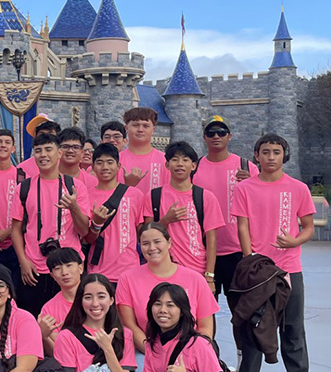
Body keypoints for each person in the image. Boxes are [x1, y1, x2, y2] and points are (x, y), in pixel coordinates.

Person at [232, 133, 316, 372]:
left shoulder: (298, 188)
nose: (270, 157)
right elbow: (242, 226)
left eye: (276, 152)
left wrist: (295, 241)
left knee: (292, 329)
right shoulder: (245, 188)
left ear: (284, 155)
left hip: (289, 268)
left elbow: (307, 226)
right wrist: (249, 258)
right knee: (255, 328)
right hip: (259, 270)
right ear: (256, 156)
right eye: (265, 151)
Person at [116, 223, 219, 372]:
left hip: (189, 351)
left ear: (169, 243)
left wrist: (184, 355)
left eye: (157, 241)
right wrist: (156, 354)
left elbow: (205, 328)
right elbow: (129, 324)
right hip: (147, 350)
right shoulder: (127, 278)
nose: (152, 248)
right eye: (145, 243)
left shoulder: (195, 279)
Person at [10, 132, 90, 316]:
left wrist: (73, 207)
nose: (43, 155)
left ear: (59, 153)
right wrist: (23, 261)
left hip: (68, 267)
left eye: (48, 149)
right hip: (34, 268)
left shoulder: (74, 186)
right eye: (38, 151)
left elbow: (84, 230)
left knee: (72, 319)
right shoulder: (24, 188)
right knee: (34, 319)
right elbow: (16, 229)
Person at [192, 116, 256, 300]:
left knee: (243, 312)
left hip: (238, 250)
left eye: (221, 132)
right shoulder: (194, 169)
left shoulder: (247, 167)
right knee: (202, 313)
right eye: (211, 133)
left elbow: (261, 205)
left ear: (230, 136)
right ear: (204, 137)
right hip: (201, 251)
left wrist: (252, 183)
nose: (216, 136)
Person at [150, 141, 224, 282]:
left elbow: (211, 240)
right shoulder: (154, 196)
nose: (180, 164)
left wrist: (209, 276)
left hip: (197, 270)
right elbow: (145, 234)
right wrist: (165, 221)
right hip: (162, 269)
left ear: (193, 165)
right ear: (167, 165)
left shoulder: (205, 197)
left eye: (185, 160)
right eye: (174, 159)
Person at [84, 143, 147, 284]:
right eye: (99, 163)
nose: (105, 167)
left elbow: (140, 232)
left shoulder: (135, 194)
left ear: (118, 166)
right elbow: (86, 238)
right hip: (98, 271)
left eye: (110, 162)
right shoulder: (87, 196)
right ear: (93, 167)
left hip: (130, 269)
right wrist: (96, 223)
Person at [0, 129, 24, 282]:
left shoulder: (21, 177)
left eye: (7, 142)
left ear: (13, 148)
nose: (3, 146)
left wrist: (7, 232)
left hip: (15, 246)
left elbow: (27, 213)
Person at [39, 247, 84, 356]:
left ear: (81, 268)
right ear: (52, 276)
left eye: (69, 265)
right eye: (58, 268)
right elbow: (57, 352)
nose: (64, 272)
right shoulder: (48, 309)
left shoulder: (97, 296)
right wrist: (43, 335)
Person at [119, 107, 169, 193]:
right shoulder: (116, 160)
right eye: (135, 125)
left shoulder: (165, 160)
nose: (140, 130)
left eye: (145, 126)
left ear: (153, 129)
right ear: (126, 128)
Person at [57, 128, 98, 193]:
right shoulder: (48, 177)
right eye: (65, 146)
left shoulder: (92, 181)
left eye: (75, 147)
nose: (70, 151)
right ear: (58, 151)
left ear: (82, 152)